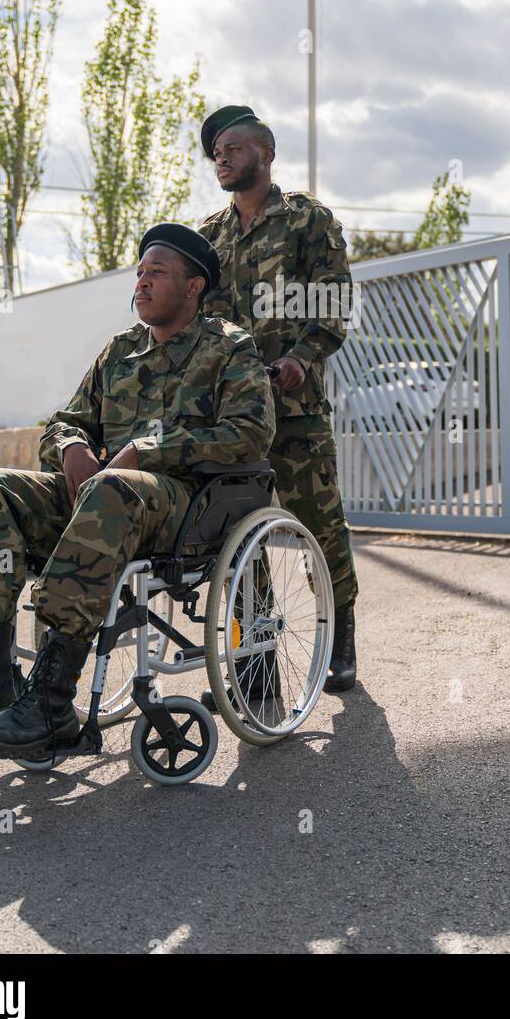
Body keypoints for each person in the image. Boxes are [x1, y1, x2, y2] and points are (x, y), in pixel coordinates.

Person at [0, 224, 275, 761]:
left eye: (157, 273)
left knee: (114, 487)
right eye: (139, 272)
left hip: (187, 507)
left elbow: (250, 434)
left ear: (193, 287)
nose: (141, 282)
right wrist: (70, 445)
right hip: (103, 501)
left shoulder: (229, 348)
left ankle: (49, 701)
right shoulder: (118, 351)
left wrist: (145, 450)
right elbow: (65, 420)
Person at [197, 104, 358, 698]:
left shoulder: (306, 221)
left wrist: (301, 358)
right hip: (232, 419)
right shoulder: (208, 237)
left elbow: (332, 303)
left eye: (234, 147)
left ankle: (340, 637)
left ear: (266, 153)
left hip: (294, 410)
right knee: (237, 537)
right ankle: (256, 660)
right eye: (216, 151)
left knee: (319, 525)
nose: (223, 157)